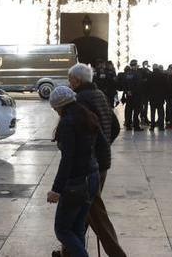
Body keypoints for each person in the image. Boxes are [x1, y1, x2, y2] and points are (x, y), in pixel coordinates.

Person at [67, 63, 126, 257]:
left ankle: (118, 254)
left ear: (77, 81)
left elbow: (80, 135)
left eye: (70, 80)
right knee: (81, 213)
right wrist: (105, 145)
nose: (69, 83)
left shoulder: (80, 100)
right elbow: (115, 127)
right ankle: (68, 251)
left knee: (95, 214)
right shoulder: (100, 95)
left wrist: (92, 150)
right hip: (102, 162)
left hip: (88, 165)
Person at [48, 85, 102, 257]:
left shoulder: (67, 122)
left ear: (61, 105)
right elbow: (101, 144)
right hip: (92, 177)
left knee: (62, 230)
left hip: (76, 183)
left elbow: (67, 160)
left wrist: (56, 190)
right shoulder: (88, 116)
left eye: (55, 108)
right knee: (78, 228)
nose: (56, 112)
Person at [147, 64, 165, 130]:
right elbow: (165, 86)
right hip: (160, 97)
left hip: (152, 97)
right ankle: (161, 126)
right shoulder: (162, 75)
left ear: (153, 68)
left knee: (152, 112)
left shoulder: (150, 75)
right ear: (157, 68)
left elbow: (147, 87)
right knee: (161, 112)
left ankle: (152, 126)